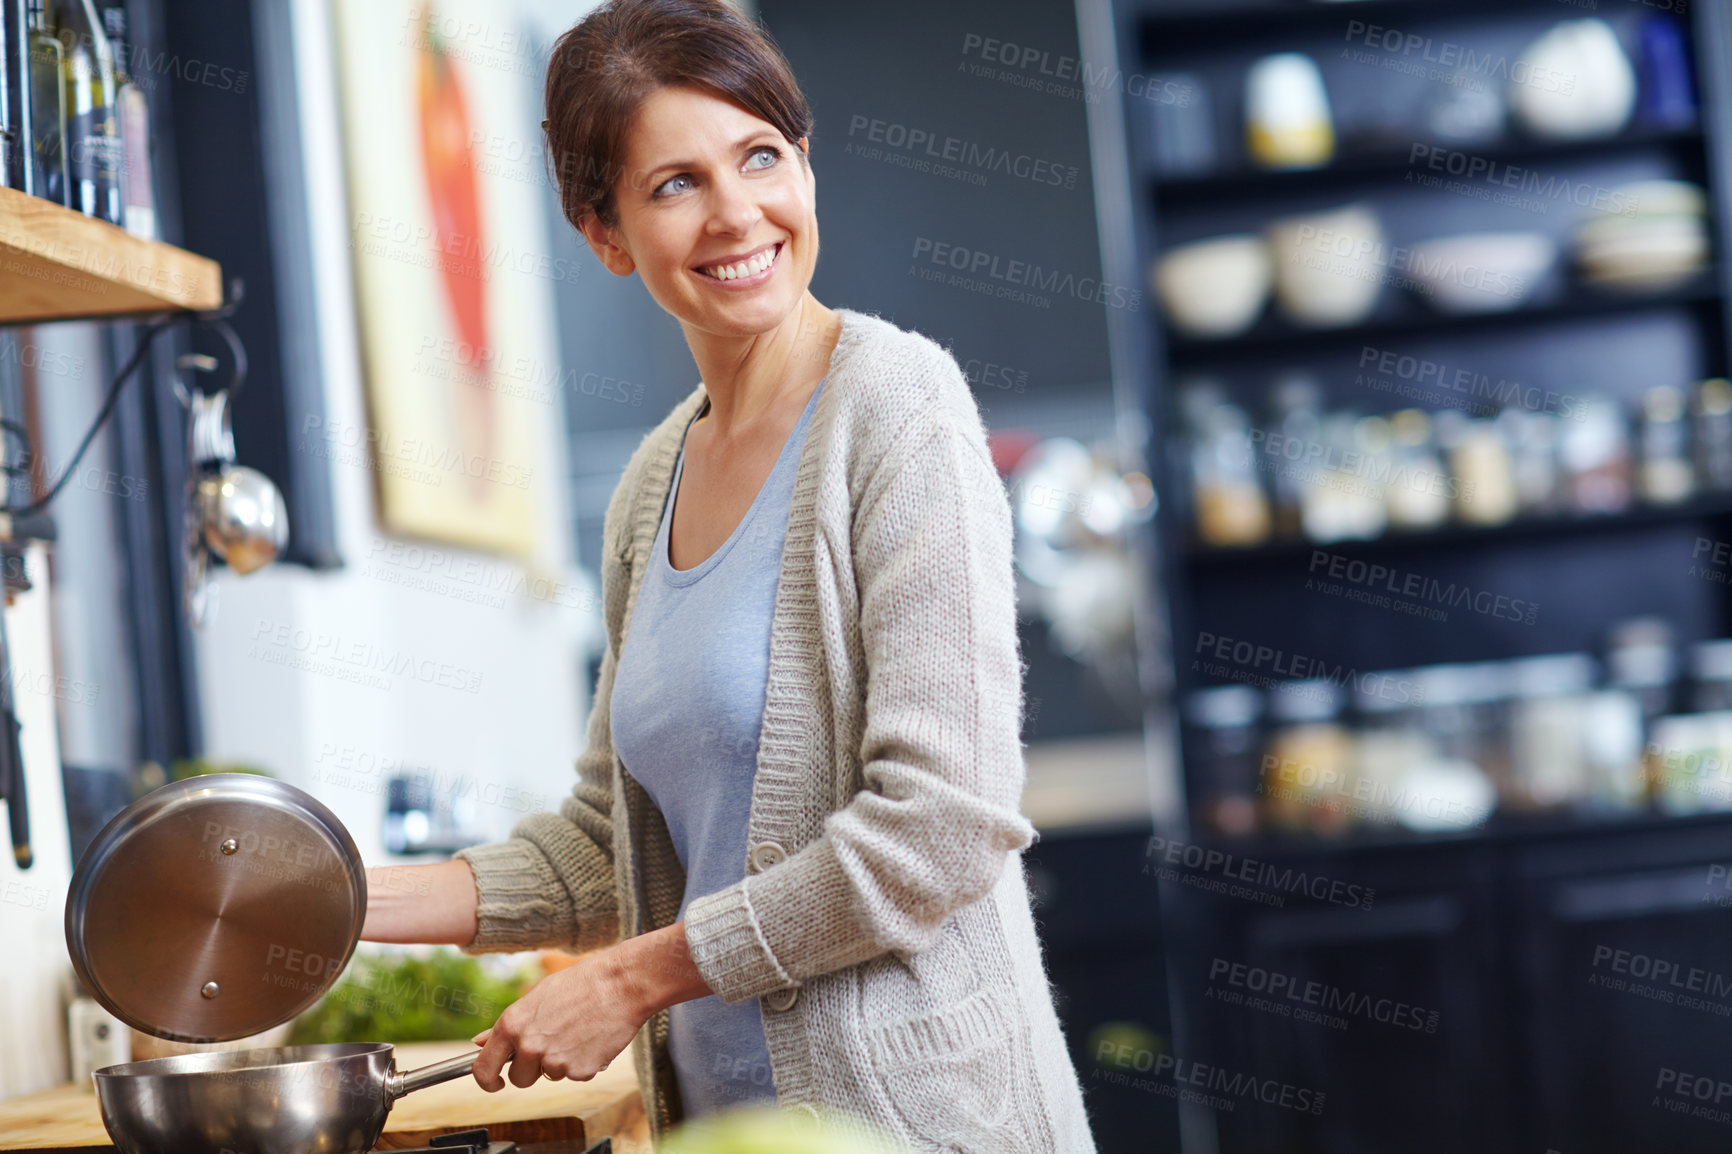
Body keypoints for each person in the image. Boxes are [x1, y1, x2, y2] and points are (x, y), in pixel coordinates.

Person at [360, 1, 1096, 1149]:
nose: (735, 212)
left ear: (805, 165)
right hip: (725, 1126)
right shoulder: (650, 481)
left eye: (760, 156)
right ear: (605, 232)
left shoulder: (898, 407)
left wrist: (631, 978)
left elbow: (941, 824)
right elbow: (613, 842)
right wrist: (331, 898)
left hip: (917, 1124)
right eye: (673, 185)